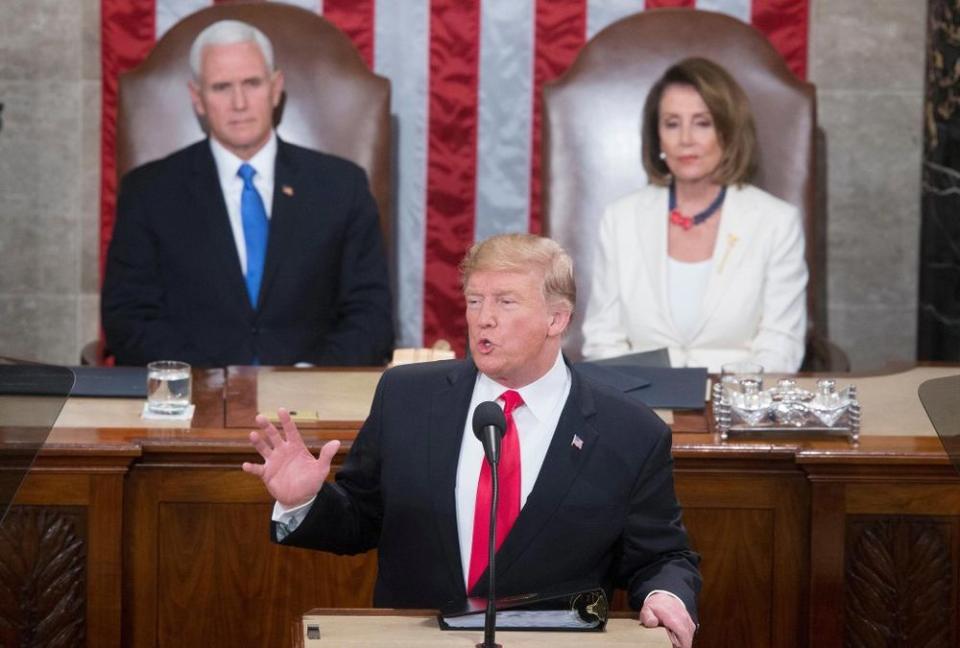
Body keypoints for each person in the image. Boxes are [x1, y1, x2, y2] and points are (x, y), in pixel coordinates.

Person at [243, 233, 701, 648]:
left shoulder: (630, 431)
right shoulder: (407, 397)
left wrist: (667, 595)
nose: (483, 320)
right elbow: (361, 519)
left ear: (556, 318)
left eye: (505, 302)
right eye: (475, 300)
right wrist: (305, 501)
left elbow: (661, 555)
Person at [101, 20, 393, 367]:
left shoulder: (342, 187)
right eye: (221, 87)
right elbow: (128, 319)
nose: (239, 103)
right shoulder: (149, 192)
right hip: (194, 402)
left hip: (311, 407)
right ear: (197, 99)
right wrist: (210, 382)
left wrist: (309, 380)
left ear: (275, 87)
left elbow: (371, 318)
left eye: (252, 83)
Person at [581, 57, 807, 373]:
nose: (686, 139)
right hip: (643, 408)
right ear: (657, 136)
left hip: (737, 407)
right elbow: (603, 340)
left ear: (728, 132)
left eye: (702, 122)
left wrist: (723, 400)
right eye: (672, 123)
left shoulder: (776, 222)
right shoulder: (621, 219)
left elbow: (781, 346)